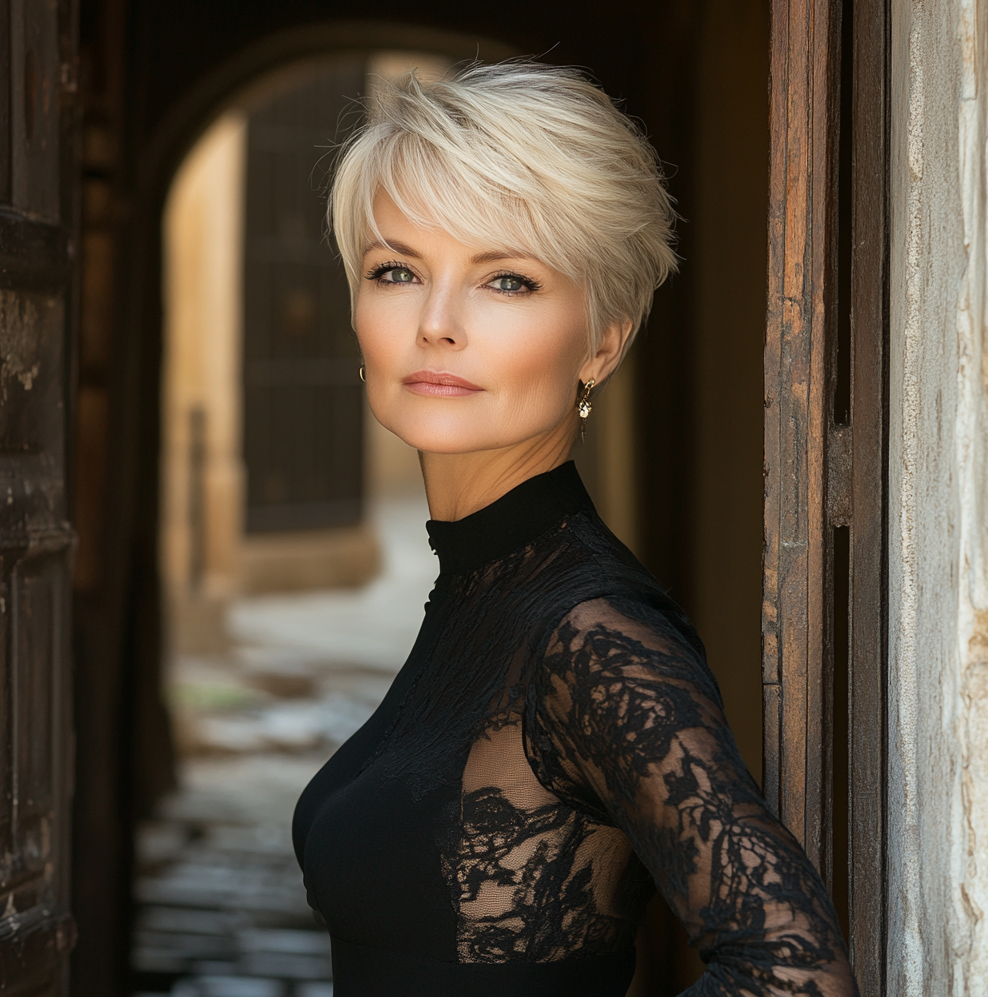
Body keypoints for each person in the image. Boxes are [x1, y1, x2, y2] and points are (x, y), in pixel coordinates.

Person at [292, 60, 858, 997]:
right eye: (396, 270)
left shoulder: (591, 636)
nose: (436, 323)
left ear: (602, 341)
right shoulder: (485, 583)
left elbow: (795, 978)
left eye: (505, 280)